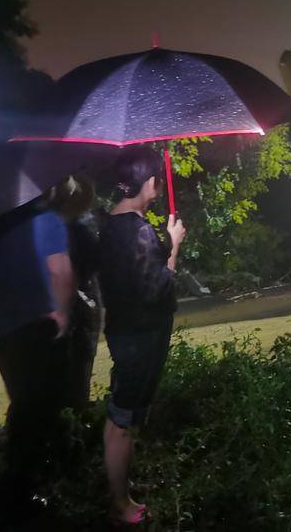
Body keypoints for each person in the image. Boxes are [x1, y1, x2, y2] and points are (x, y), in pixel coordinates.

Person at [98, 147, 185, 525]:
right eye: (156, 182)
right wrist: (174, 245)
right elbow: (159, 288)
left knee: (122, 415)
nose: (158, 188)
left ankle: (123, 491)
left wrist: (161, 243)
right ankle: (121, 505)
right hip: (140, 337)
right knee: (122, 420)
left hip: (125, 331)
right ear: (148, 183)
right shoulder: (138, 231)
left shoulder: (112, 224)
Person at [0, 195, 75, 510]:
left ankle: (21, 485)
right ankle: (33, 489)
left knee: (22, 407)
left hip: (5, 336)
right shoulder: (48, 220)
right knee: (44, 411)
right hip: (40, 328)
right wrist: (63, 314)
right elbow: (60, 271)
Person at [47, 176, 102, 412]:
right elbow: (96, 261)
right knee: (78, 380)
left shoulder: (44, 229)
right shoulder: (79, 229)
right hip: (80, 312)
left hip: (52, 314)